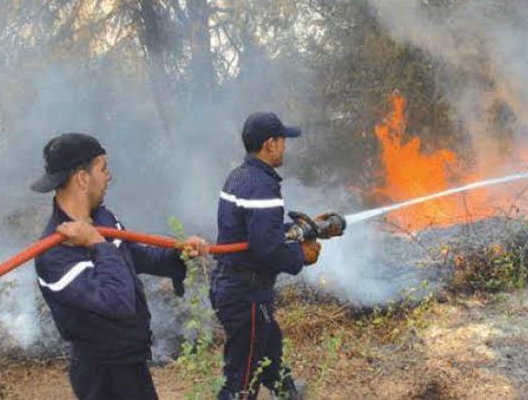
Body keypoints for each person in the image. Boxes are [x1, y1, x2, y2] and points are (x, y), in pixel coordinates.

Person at [31, 132, 208, 400]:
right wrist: (97, 244)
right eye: (103, 168)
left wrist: (180, 253)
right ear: (82, 178)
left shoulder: (102, 217)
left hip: (129, 360)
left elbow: (134, 256)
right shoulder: (55, 255)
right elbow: (117, 303)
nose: (109, 176)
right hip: (102, 375)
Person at [211, 113, 322, 400]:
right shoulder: (261, 184)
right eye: (283, 140)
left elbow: (254, 231)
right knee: (241, 379)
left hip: (237, 286)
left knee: (270, 344)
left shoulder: (241, 175)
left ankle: (286, 393)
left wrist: (299, 229)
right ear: (270, 144)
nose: (285, 146)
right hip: (244, 295)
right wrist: (302, 254)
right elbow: (266, 250)